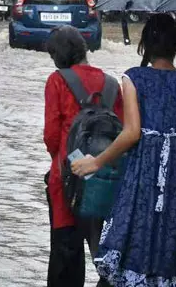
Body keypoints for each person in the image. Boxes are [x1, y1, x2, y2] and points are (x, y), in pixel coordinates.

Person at [72, 14, 176, 286]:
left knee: (136, 235)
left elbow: (132, 132)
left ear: (144, 45)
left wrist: (96, 163)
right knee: (169, 238)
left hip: (144, 172)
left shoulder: (133, 78)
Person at [43, 26, 124, 287]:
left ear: (58, 55)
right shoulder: (112, 85)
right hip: (105, 181)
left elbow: (51, 136)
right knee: (107, 255)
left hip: (67, 180)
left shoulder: (57, 81)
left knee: (66, 255)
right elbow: (123, 134)